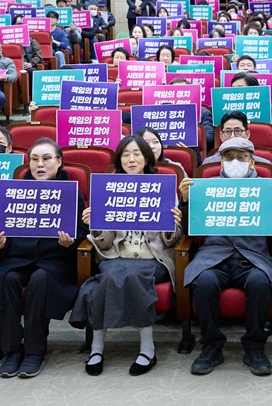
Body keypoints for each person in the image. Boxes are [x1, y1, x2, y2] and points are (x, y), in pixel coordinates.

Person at [70, 135, 181, 376]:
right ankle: (97, 349)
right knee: (110, 277)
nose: (131, 159)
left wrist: (173, 224)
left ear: (146, 158)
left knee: (128, 276)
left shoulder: (163, 187)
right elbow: (105, 241)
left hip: (152, 259)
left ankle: (147, 349)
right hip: (117, 257)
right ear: (119, 160)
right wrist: (95, 226)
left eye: (137, 154)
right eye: (125, 155)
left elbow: (171, 240)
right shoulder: (109, 188)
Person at [179, 137, 272, 376]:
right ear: (221, 163)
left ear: (252, 162)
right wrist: (186, 201)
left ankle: (255, 346)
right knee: (204, 282)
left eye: (241, 157)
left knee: (259, 283)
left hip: (253, 257)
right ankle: (211, 346)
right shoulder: (207, 187)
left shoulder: (267, 187)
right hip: (213, 256)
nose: (235, 162)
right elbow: (189, 231)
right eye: (229, 157)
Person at [0, 137, 87, 378]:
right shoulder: (13, 191)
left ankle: (34, 351)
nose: (40, 164)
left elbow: (82, 233)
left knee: (41, 279)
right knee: (6, 279)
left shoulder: (72, 192)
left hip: (55, 261)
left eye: (47, 159)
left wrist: (69, 243)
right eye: (34, 159)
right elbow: (1, 229)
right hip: (16, 258)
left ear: (59, 162)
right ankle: (11, 350)